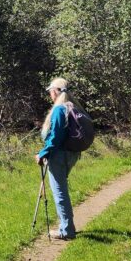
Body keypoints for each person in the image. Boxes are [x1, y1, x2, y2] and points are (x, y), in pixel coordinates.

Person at [35, 77, 82, 240]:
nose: (50, 94)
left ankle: (67, 230)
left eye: (50, 91)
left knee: (59, 191)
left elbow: (55, 137)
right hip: (72, 154)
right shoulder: (73, 107)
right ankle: (67, 227)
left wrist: (42, 153)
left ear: (55, 91)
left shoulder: (59, 110)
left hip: (59, 155)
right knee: (62, 190)